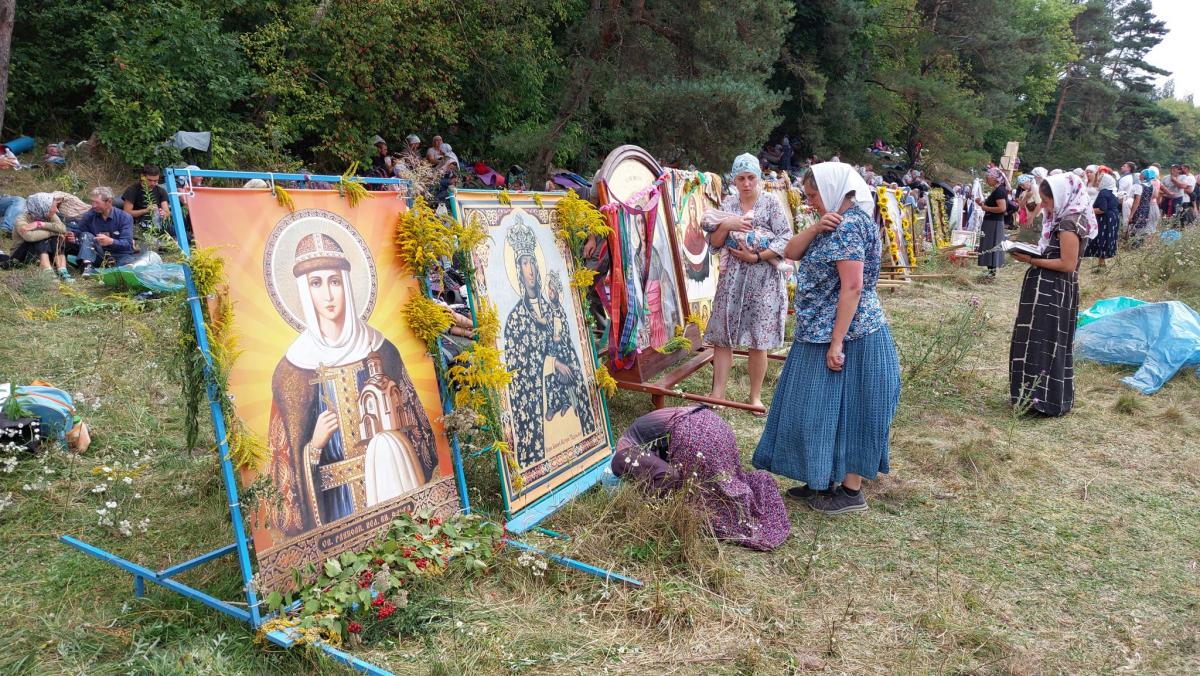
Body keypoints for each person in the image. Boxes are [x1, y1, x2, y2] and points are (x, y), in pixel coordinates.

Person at [266, 232, 438, 534]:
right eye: (316, 283)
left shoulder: (383, 350)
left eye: (334, 281)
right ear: (304, 292)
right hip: (336, 505)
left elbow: (421, 434)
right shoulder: (292, 370)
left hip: (392, 484)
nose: (328, 295)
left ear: (346, 283)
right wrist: (314, 447)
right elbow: (284, 475)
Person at [753, 162, 899, 515]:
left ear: (833, 189)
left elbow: (852, 287)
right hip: (820, 331)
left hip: (850, 336)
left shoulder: (849, 226)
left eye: (815, 195)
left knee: (853, 410)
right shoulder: (834, 221)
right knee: (818, 412)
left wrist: (837, 343)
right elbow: (790, 252)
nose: (811, 202)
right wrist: (817, 226)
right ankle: (821, 478)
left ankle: (850, 492)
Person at [612, 405, 790, 550]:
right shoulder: (637, 431)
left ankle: (737, 522)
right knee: (724, 485)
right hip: (713, 423)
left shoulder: (621, 456)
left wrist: (655, 512)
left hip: (691, 436)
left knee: (708, 500)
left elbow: (668, 477)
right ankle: (742, 512)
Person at [699, 153, 793, 413]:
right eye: (741, 178)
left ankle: (754, 397)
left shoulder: (771, 203)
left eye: (751, 177)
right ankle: (718, 393)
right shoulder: (728, 204)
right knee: (722, 335)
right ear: (734, 179)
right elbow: (715, 243)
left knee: (757, 339)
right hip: (732, 279)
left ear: (758, 178)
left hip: (763, 279)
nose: (746, 183)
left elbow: (786, 238)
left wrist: (757, 256)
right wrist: (728, 223)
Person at [1007, 173, 1096, 417]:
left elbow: (1068, 264)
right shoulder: (1070, 218)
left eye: (1047, 201)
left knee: (1043, 342)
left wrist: (1031, 259)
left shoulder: (1069, 223)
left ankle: (1041, 401)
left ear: (1062, 196)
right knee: (1047, 340)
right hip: (1053, 288)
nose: (1045, 206)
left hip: (1051, 289)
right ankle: (1038, 398)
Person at [71, 187, 138, 274]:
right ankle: (87, 267)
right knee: (86, 235)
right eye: (92, 202)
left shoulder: (124, 217)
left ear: (109, 202)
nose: (93, 205)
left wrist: (111, 241)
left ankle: (115, 271)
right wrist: (73, 237)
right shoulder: (89, 216)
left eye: (97, 203)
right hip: (100, 254)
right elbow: (80, 233)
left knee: (130, 265)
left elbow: (127, 243)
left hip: (120, 255)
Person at [10, 193, 71, 281]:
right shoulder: (21, 219)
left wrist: (40, 224)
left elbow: (63, 228)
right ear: (43, 207)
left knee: (56, 239)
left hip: (38, 253)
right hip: (20, 255)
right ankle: (47, 270)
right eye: (53, 207)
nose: (56, 210)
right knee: (41, 238)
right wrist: (54, 232)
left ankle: (62, 270)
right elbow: (29, 237)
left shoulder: (49, 215)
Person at [974, 167, 1010, 280]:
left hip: (994, 222)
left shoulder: (999, 190)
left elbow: (1002, 208)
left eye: (987, 178)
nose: (986, 180)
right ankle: (990, 272)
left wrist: (986, 208)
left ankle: (991, 273)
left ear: (995, 178)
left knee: (992, 247)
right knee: (989, 246)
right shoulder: (997, 189)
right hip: (991, 221)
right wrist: (982, 204)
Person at [1084, 168, 1120, 268]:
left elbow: (1102, 209)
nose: (1098, 181)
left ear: (1105, 182)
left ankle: (1101, 263)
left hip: (1105, 219)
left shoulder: (1104, 192)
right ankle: (1102, 263)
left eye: (1100, 180)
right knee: (1106, 239)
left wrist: (1086, 211)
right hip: (1112, 217)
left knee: (1102, 239)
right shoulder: (1111, 191)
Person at [121, 164, 169, 230]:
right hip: (137, 224)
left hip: (157, 223)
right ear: (142, 177)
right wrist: (146, 210)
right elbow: (126, 212)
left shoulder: (161, 191)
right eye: (149, 180)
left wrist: (163, 213)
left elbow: (167, 211)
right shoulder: (132, 190)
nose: (153, 183)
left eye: (155, 181)